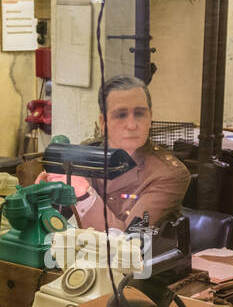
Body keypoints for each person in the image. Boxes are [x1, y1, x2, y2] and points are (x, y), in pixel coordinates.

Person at [39, 75, 190, 231]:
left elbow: (128, 241)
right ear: (104, 123)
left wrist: (84, 194)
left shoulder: (168, 173)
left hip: (142, 254)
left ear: (150, 118)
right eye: (121, 115)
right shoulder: (87, 154)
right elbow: (55, 218)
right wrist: (44, 197)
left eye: (139, 114)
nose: (131, 125)